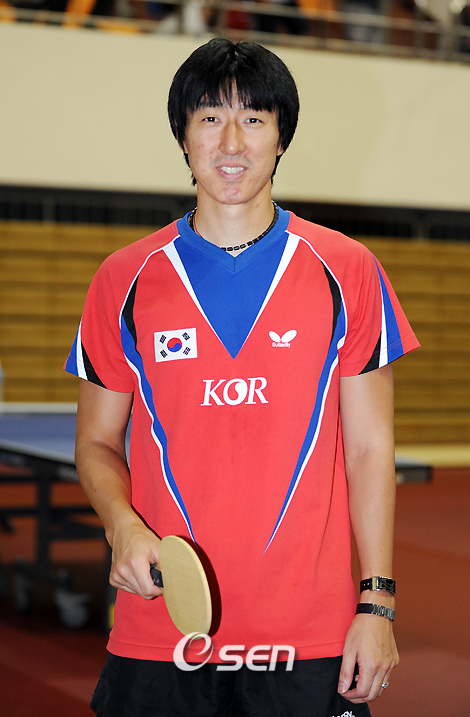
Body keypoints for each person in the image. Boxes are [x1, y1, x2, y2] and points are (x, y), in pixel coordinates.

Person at [65, 38, 419, 717]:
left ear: (281, 138)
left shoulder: (347, 270)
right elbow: (97, 442)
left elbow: (371, 448)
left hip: (307, 635)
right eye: (210, 118)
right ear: (183, 136)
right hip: (162, 625)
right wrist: (122, 525)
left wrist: (376, 604)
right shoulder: (124, 279)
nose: (232, 142)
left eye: (254, 119)